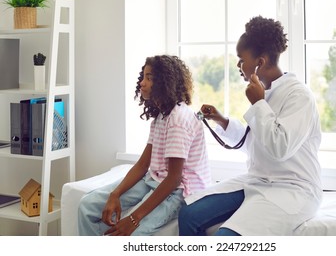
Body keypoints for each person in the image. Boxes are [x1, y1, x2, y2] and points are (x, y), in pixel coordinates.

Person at [178, 16, 322, 236]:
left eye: (241, 59)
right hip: (258, 180)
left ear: (260, 62)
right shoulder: (264, 92)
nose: (238, 65)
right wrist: (222, 120)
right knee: (188, 215)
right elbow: (254, 144)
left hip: (292, 188)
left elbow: (279, 148)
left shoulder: (299, 96)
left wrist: (258, 103)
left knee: (225, 238)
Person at [78, 55, 211, 236]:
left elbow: (174, 178)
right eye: (143, 77)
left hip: (178, 191)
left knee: (132, 235)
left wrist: (133, 219)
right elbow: (142, 165)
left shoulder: (178, 119)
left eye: (149, 78)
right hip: (154, 180)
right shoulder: (161, 117)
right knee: (87, 206)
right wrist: (114, 194)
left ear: (164, 82)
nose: (142, 83)